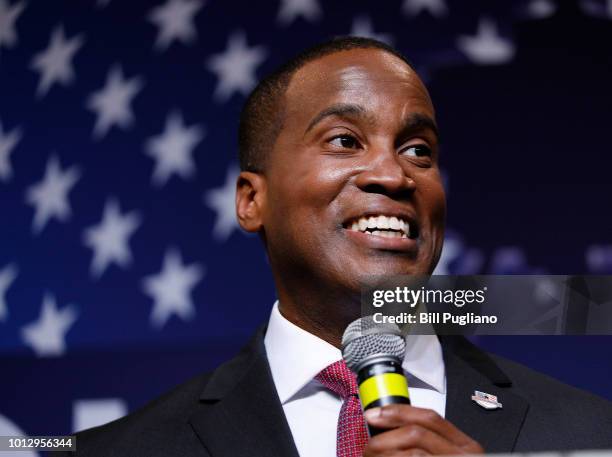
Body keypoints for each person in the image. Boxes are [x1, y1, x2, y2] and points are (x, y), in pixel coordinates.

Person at [60, 37, 612, 456]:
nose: (395, 175)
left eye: (418, 150)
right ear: (252, 200)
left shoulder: (592, 433)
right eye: (345, 141)